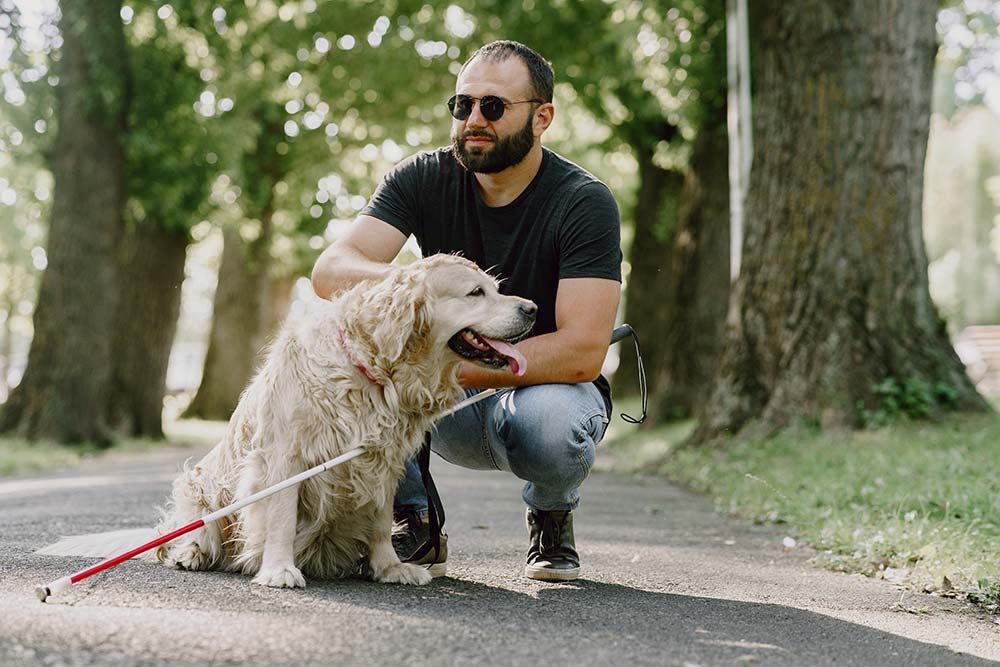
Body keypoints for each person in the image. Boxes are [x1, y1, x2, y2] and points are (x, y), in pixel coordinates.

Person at [311, 40, 622, 582]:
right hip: (445, 397)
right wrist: (418, 288)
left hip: (541, 390)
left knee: (552, 426)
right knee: (365, 357)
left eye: (494, 107)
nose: (474, 119)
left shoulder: (584, 202)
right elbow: (332, 270)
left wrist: (436, 368)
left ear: (542, 117)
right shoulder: (422, 176)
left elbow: (582, 352)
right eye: (463, 105)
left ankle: (551, 512)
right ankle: (413, 519)